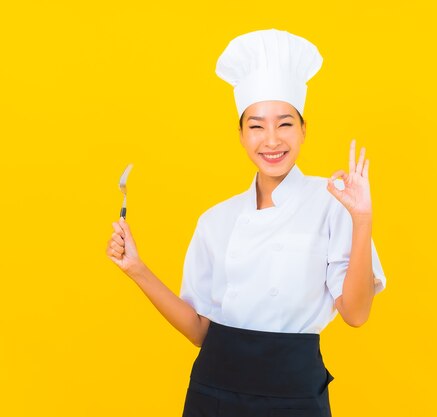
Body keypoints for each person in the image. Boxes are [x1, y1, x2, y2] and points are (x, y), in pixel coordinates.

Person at [106, 28, 386, 417]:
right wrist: (137, 269)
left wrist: (362, 220)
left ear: (304, 129)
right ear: (240, 135)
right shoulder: (215, 221)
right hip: (215, 390)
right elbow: (200, 331)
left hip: (295, 392)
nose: (271, 139)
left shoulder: (335, 201)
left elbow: (356, 314)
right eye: (256, 126)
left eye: (285, 123)